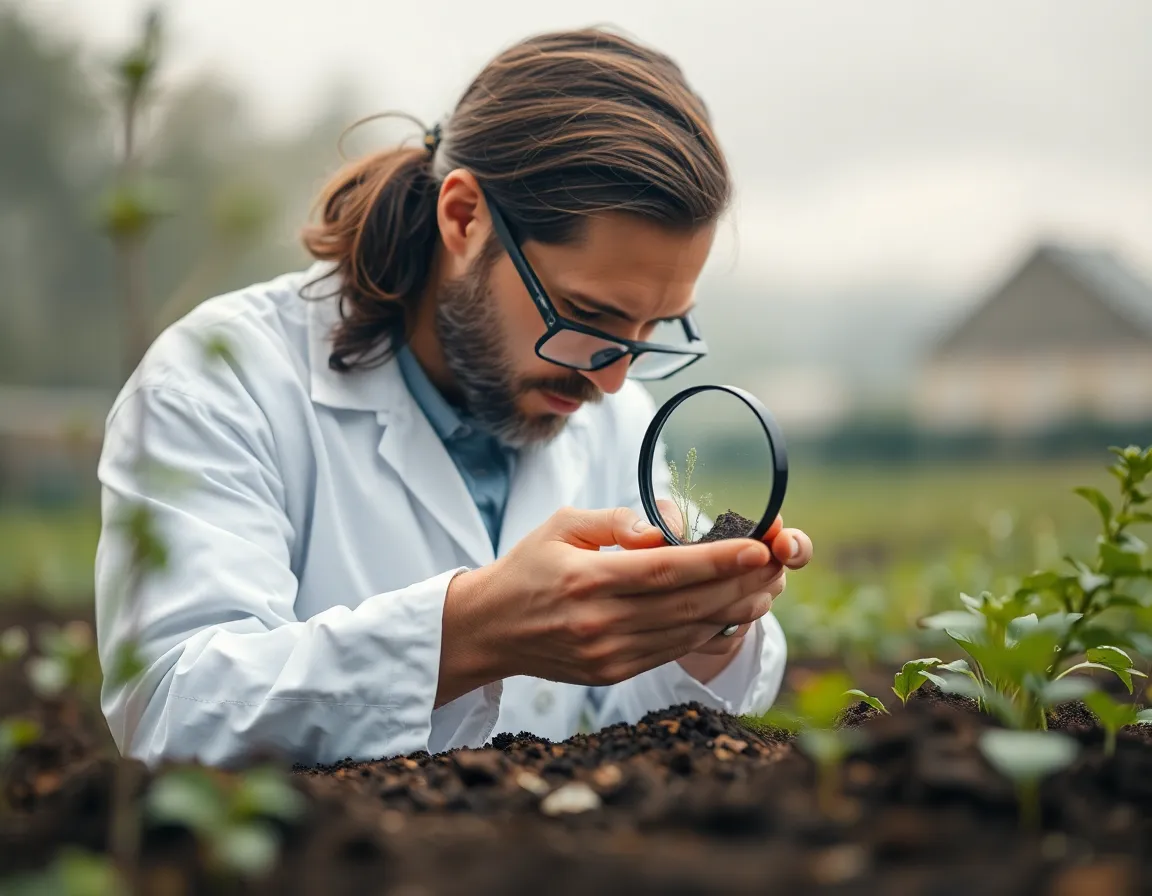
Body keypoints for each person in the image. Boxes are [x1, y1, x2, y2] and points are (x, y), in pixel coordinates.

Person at [94, 27, 813, 769]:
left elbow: (650, 733)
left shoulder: (618, 418)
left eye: (652, 328)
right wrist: (467, 633)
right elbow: (172, 709)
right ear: (464, 218)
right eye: (587, 316)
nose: (612, 380)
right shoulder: (220, 380)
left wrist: (707, 628)